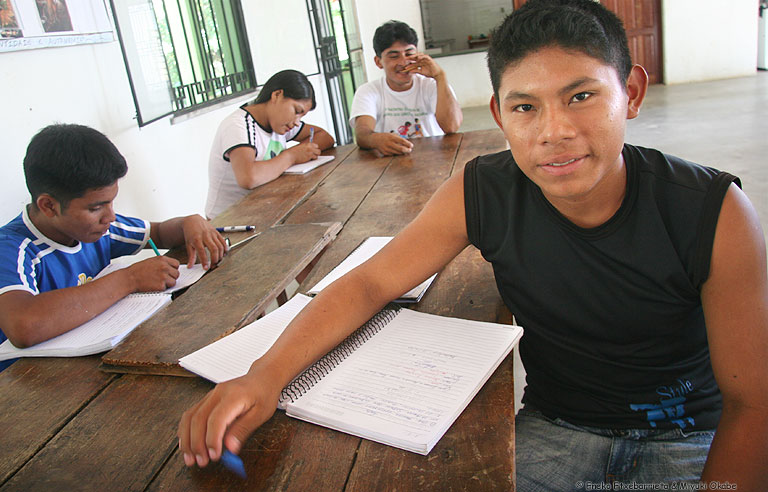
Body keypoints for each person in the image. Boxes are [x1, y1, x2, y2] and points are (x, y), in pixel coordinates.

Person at [178, 0, 768, 488]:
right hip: (555, 429)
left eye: (582, 96)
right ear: (500, 115)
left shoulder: (712, 212)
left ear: (632, 94)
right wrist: (265, 376)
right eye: (525, 107)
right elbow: (369, 282)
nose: (554, 130)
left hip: (692, 438)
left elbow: (753, 406)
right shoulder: (485, 192)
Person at [0, 123, 227, 376]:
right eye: (96, 208)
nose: (110, 216)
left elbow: (158, 232)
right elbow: (24, 325)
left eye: (112, 202)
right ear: (49, 205)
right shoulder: (3, 251)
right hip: (29, 392)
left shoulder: (96, 229)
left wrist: (189, 223)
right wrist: (130, 279)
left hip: (93, 368)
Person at [205, 69, 335, 219]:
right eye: (296, 111)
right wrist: (292, 156)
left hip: (265, 213)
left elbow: (324, 136)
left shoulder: (281, 124)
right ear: (277, 95)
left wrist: (305, 150)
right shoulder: (239, 125)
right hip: (229, 223)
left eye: (302, 116)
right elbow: (248, 177)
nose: (296, 122)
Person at [349, 20, 463, 156]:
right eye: (394, 56)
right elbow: (362, 134)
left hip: (434, 157)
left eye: (409, 54)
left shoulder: (432, 85)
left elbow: (451, 127)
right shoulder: (368, 91)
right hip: (390, 165)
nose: (403, 62)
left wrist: (439, 75)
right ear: (378, 62)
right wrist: (375, 139)